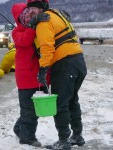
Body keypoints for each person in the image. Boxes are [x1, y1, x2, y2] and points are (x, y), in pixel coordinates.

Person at [27, 0, 87, 150]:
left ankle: (64, 141)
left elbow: (47, 47)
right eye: (29, 9)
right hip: (78, 61)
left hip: (65, 64)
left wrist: (43, 69)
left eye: (33, 8)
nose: (31, 12)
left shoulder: (43, 21)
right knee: (72, 100)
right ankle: (77, 136)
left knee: (61, 104)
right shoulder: (56, 14)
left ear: (40, 8)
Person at [11, 2, 50, 147]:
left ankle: (19, 128)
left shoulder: (37, 28)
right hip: (26, 78)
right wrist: (32, 27)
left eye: (30, 14)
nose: (28, 17)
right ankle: (27, 137)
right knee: (28, 110)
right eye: (25, 16)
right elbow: (26, 42)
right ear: (19, 19)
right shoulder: (17, 32)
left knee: (34, 109)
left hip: (39, 77)